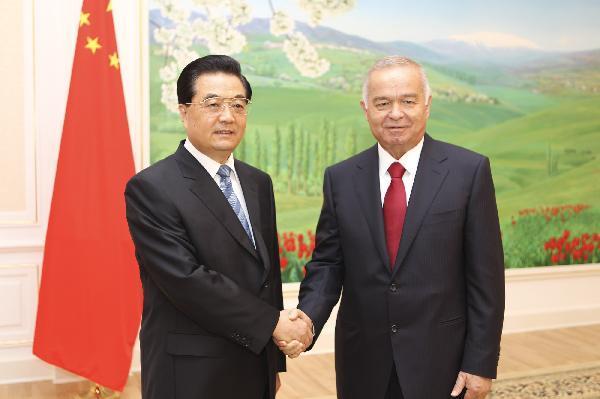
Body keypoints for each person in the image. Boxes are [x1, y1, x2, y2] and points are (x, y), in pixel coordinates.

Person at [282, 56, 505, 399]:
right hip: (363, 362)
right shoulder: (341, 178)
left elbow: (486, 280)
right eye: (383, 103)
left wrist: (480, 362)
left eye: (408, 101)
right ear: (366, 109)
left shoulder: (468, 172)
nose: (395, 113)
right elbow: (328, 264)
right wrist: (308, 320)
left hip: (442, 361)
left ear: (427, 105)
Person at [125, 55, 312, 399]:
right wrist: (272, 325)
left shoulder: (259, 182)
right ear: (184, 110)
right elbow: (187, 280)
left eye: (238, 105)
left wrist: (273, 366)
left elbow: (265, 278)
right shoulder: (152, 187)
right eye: (213, 104)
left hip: (254, 363)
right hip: (191, 372)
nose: (228, 116)